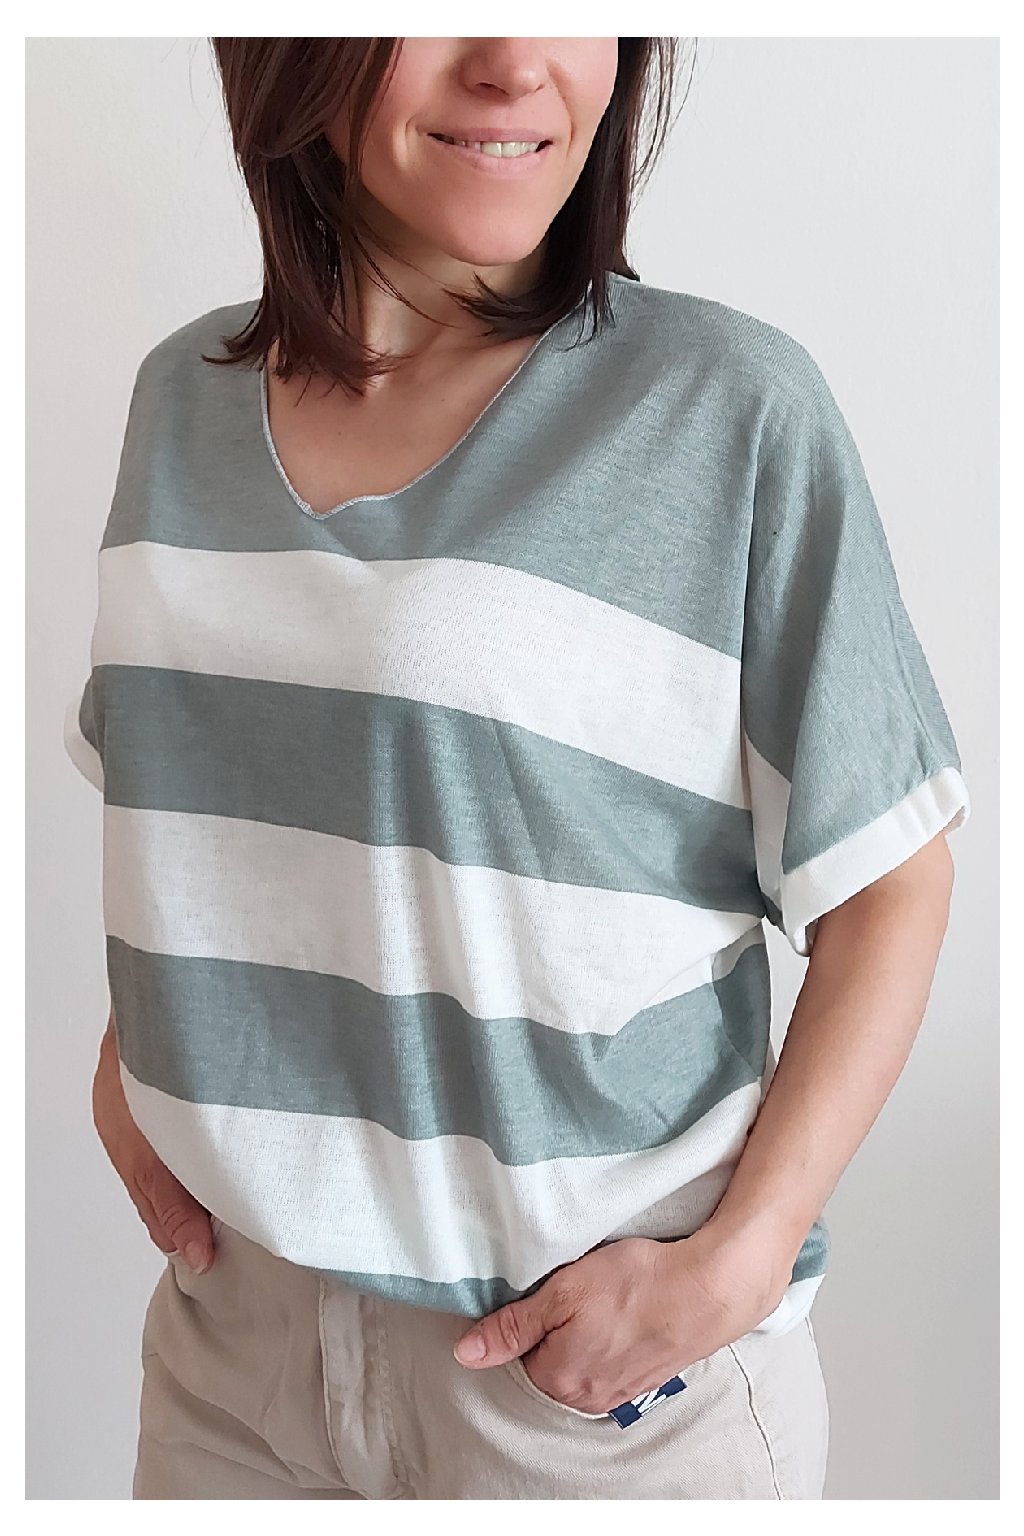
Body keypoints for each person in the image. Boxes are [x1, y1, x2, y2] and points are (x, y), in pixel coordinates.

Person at [64, 37, 970, 1501]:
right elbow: (193, 799)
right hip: (234, 1364)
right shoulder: (180, 396)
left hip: (589, 1402)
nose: (512, 62)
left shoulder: (724, 405)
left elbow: (890, 880)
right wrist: (131, 1069)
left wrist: (734, 1268)